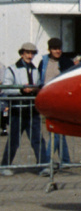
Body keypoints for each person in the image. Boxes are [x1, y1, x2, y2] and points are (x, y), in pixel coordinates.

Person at [1, 42, 48, 175]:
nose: (30, 56)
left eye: (32, 53)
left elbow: (38, 85)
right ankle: (5, 165)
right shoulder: (12, 69)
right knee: (14, 140)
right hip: (18, 109)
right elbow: (6, 88)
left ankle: (43, 165)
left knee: (37, 139)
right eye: (27, 53)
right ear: (22, 54)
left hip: (31, 109)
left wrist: (35, 90)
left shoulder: (35, 70)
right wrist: (21, 90)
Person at [39, 38, 75, 168]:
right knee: (57, 130)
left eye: (59, 48)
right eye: (55, 49)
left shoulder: (67, 62)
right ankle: (65, 160)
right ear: (49, 49)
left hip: (61, 101)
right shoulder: (43, 62)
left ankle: (46, 163)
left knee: (55, 130)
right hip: (48, 100)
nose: (58, 51)